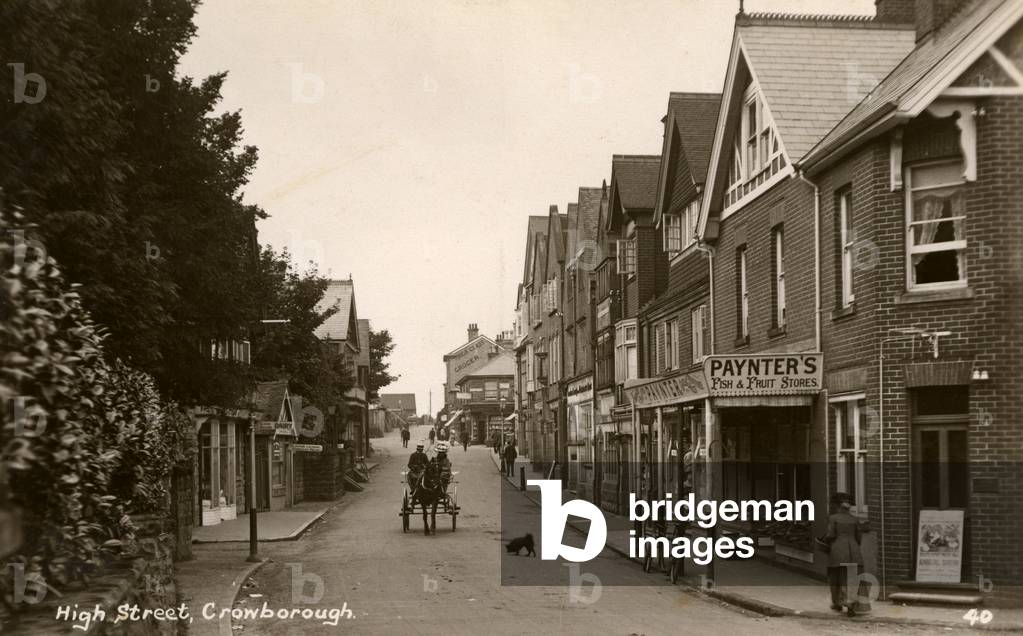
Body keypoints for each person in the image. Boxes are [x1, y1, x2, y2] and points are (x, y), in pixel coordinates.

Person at [823, 494, 865, 616]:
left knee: (836, 577)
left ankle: (837, 603)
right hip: (854, 551)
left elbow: (831, 535)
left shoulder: (833, 518)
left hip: (838, 551)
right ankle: (851, 602)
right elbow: (859, 538)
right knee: (852, 578)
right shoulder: (855, 519)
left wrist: (825, 541)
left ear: (838, 507)